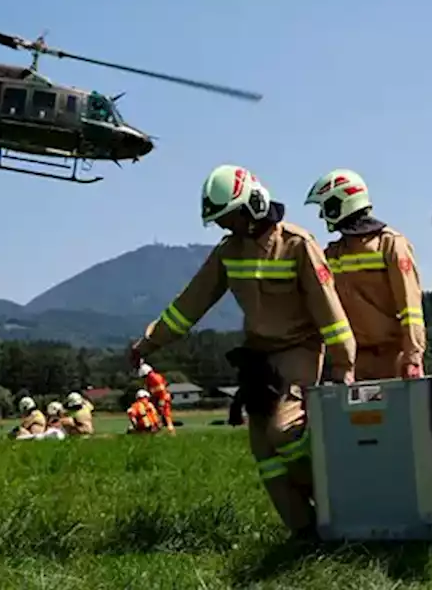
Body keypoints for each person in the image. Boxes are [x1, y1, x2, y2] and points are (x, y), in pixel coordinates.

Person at [130, 164, 356, 541]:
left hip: (299, 349)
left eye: (228, 217)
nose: (223, 226)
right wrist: (149, 342)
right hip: (259, 359)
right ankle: (305, 532)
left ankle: (340, 503)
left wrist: (343, 365)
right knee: (263, 449)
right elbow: (190, 303)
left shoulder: (298, 245)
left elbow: (330, 312)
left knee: (285, 431)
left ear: (252, 205)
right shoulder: (229, 251)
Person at [304, 169, 427, 381]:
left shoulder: (391, 244)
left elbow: (411, 309)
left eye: (327, 207)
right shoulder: (332, 253)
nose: (322, 215)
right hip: (353, 365)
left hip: (393, 359)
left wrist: (413, 358)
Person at [136, 363, 175, 433]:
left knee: (166, 415)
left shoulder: (155, 378)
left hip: (162, 399)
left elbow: (162, 390)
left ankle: (171, 431)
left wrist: (162, 400)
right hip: (157, 399)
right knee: (155, 415)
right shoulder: (150, 379)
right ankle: (156, 429)